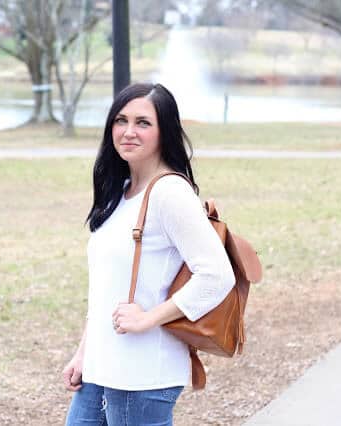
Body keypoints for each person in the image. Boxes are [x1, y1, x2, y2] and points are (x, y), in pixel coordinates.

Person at [63, 83, 236, 425]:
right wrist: (85, 353)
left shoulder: (169, 192)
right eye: (121, 120)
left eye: (143, 122)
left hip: (141, 372)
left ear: (164, 131)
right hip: (103, 366)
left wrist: (149, 318)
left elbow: (218, 275)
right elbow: (106, 287)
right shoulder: (119, 192)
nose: (128, 132)